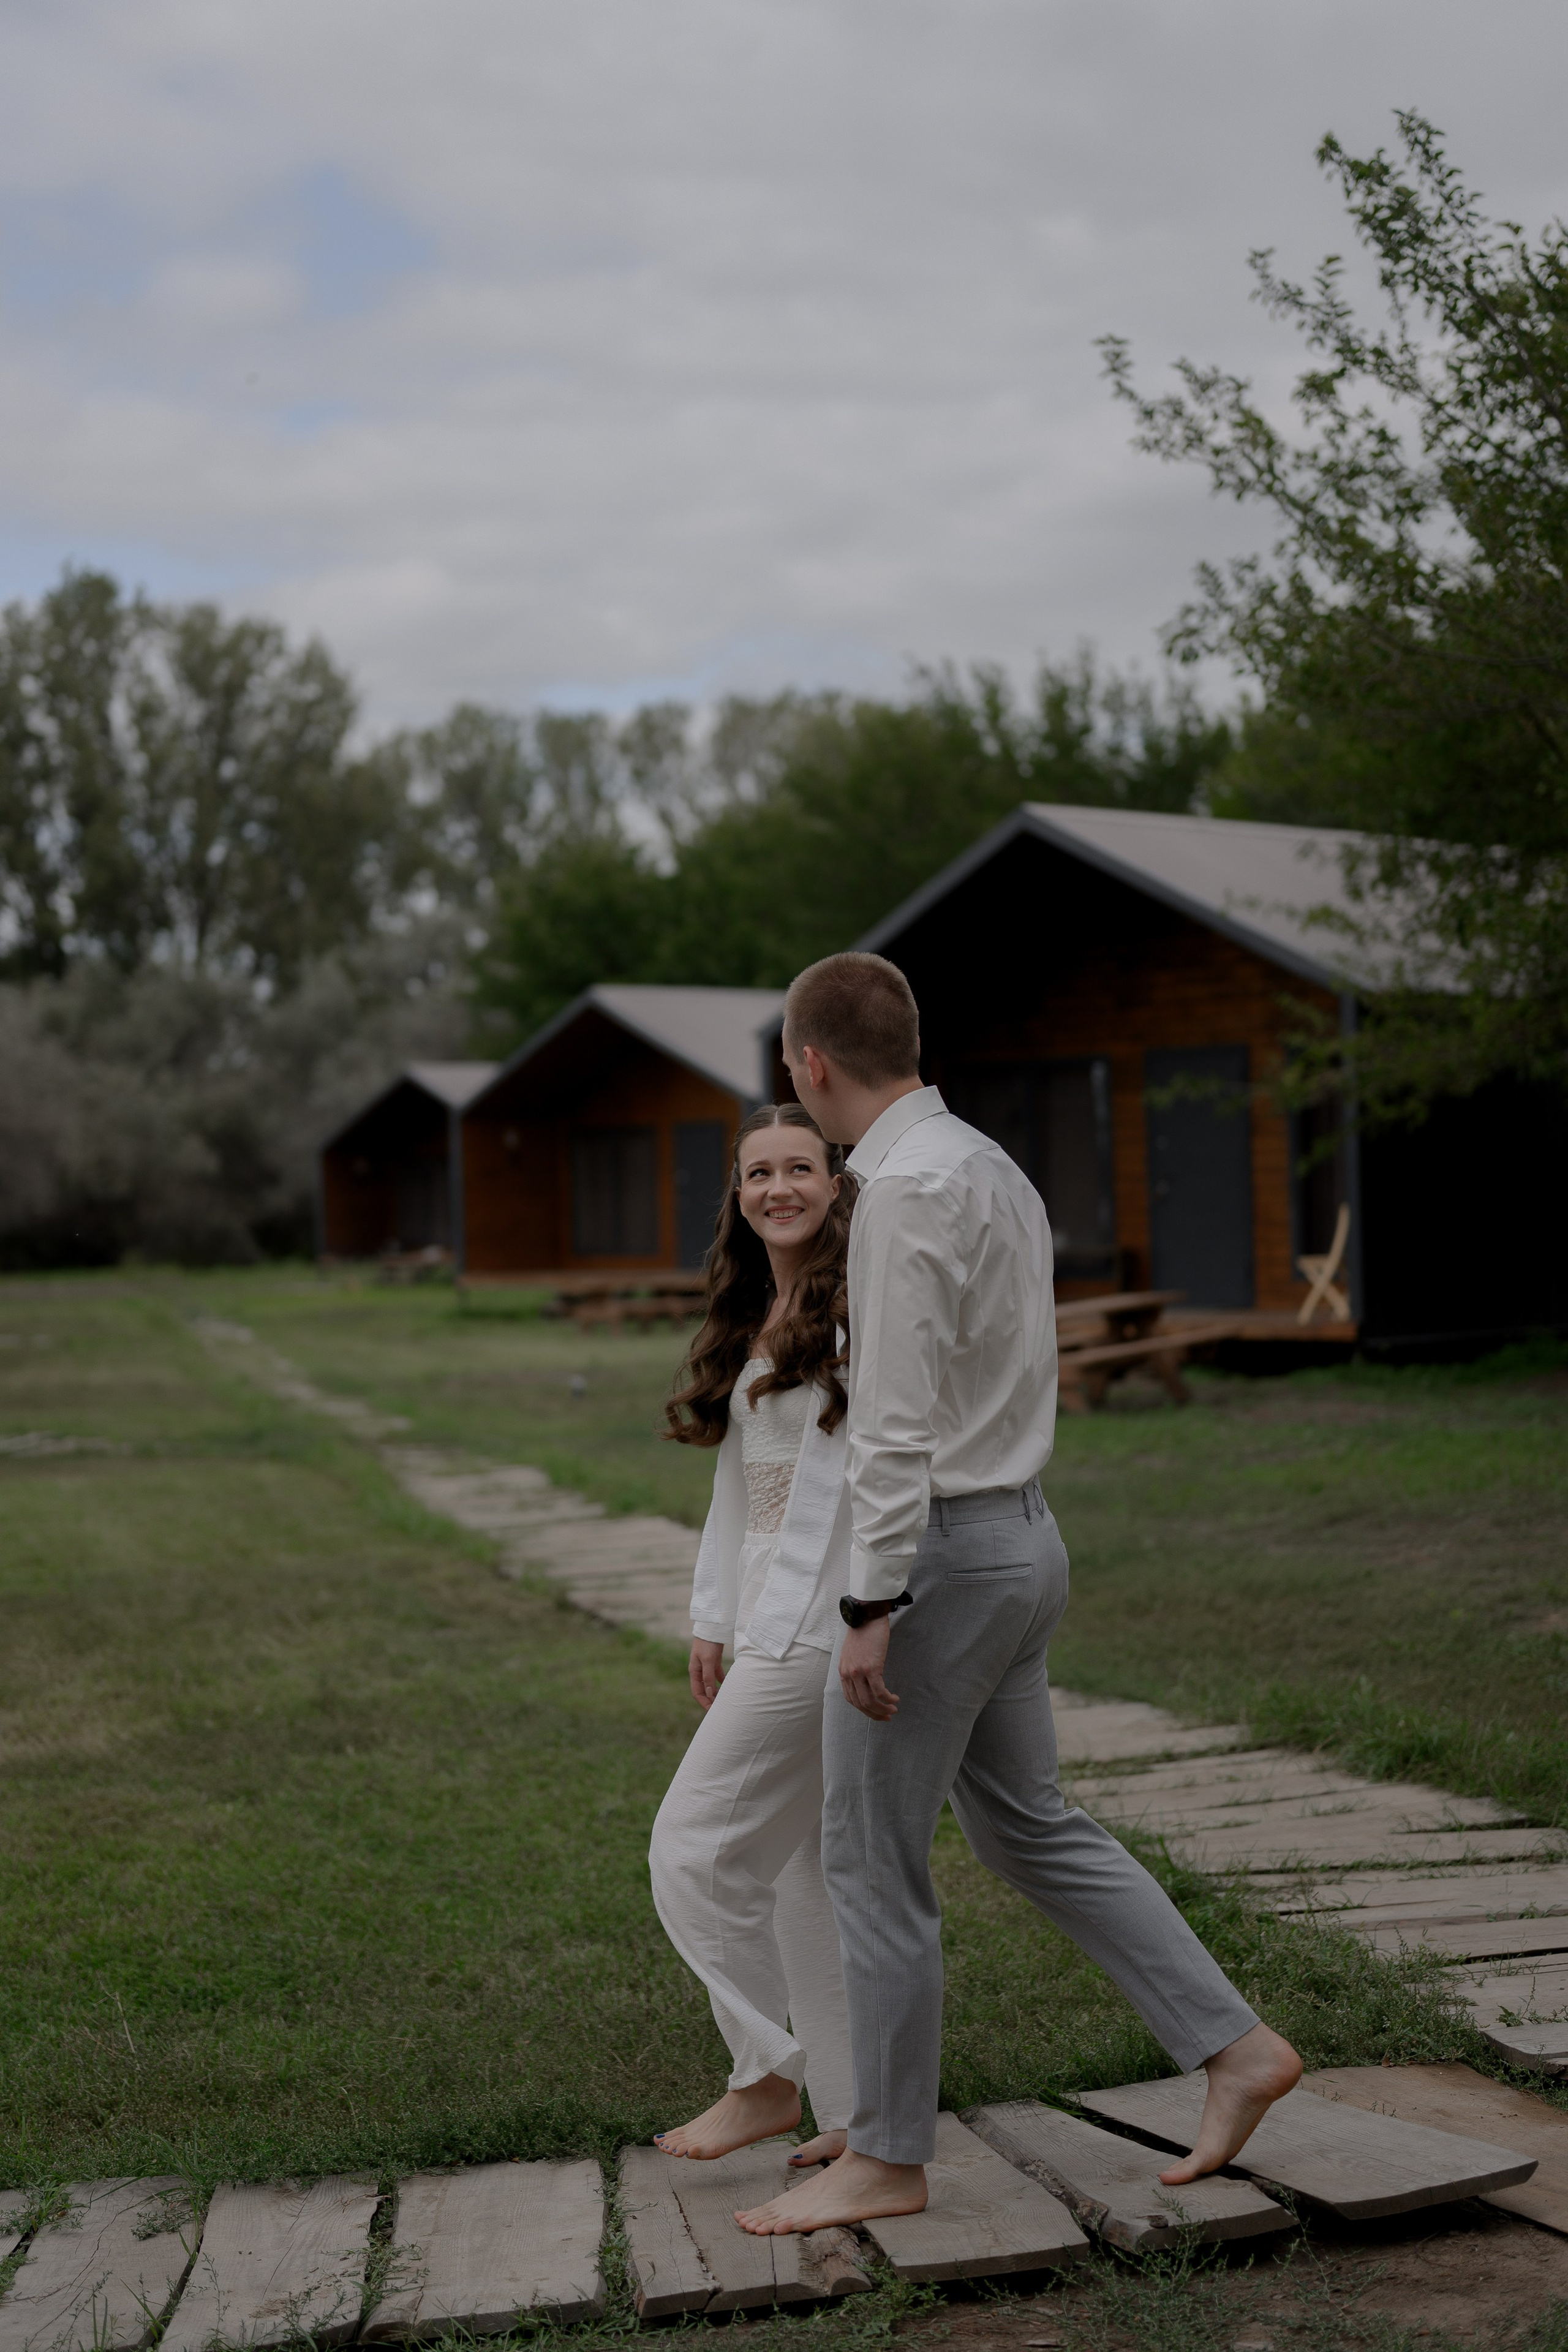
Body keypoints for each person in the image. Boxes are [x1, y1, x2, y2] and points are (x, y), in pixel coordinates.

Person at [736, 952, 1302, 2236]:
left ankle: (884, 2154)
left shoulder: (900, 1195)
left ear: (809, 1066)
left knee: (867, 1857)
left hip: (939, 1560)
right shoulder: (986, 1164)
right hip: (1019, 1542)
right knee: (1025, 1826)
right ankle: (1235, 2048)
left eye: (791, 1070)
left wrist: (868, 1602)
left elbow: (890, 1423)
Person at [648, 1102, 859, 2166]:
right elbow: (740, 1489)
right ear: (738, 1196)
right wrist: (710, 1616)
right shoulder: (755, 1312)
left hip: (824, 1622)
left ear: (836, 1183)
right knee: (799, 1872)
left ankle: (763, 2074)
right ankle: (857, 2116)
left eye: (800, 1169)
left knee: (692, 1846)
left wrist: (870, 1614)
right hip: (765, 1610)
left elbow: (881, 1483)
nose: (779, 1188)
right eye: (758, 1173)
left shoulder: (859, 1310)